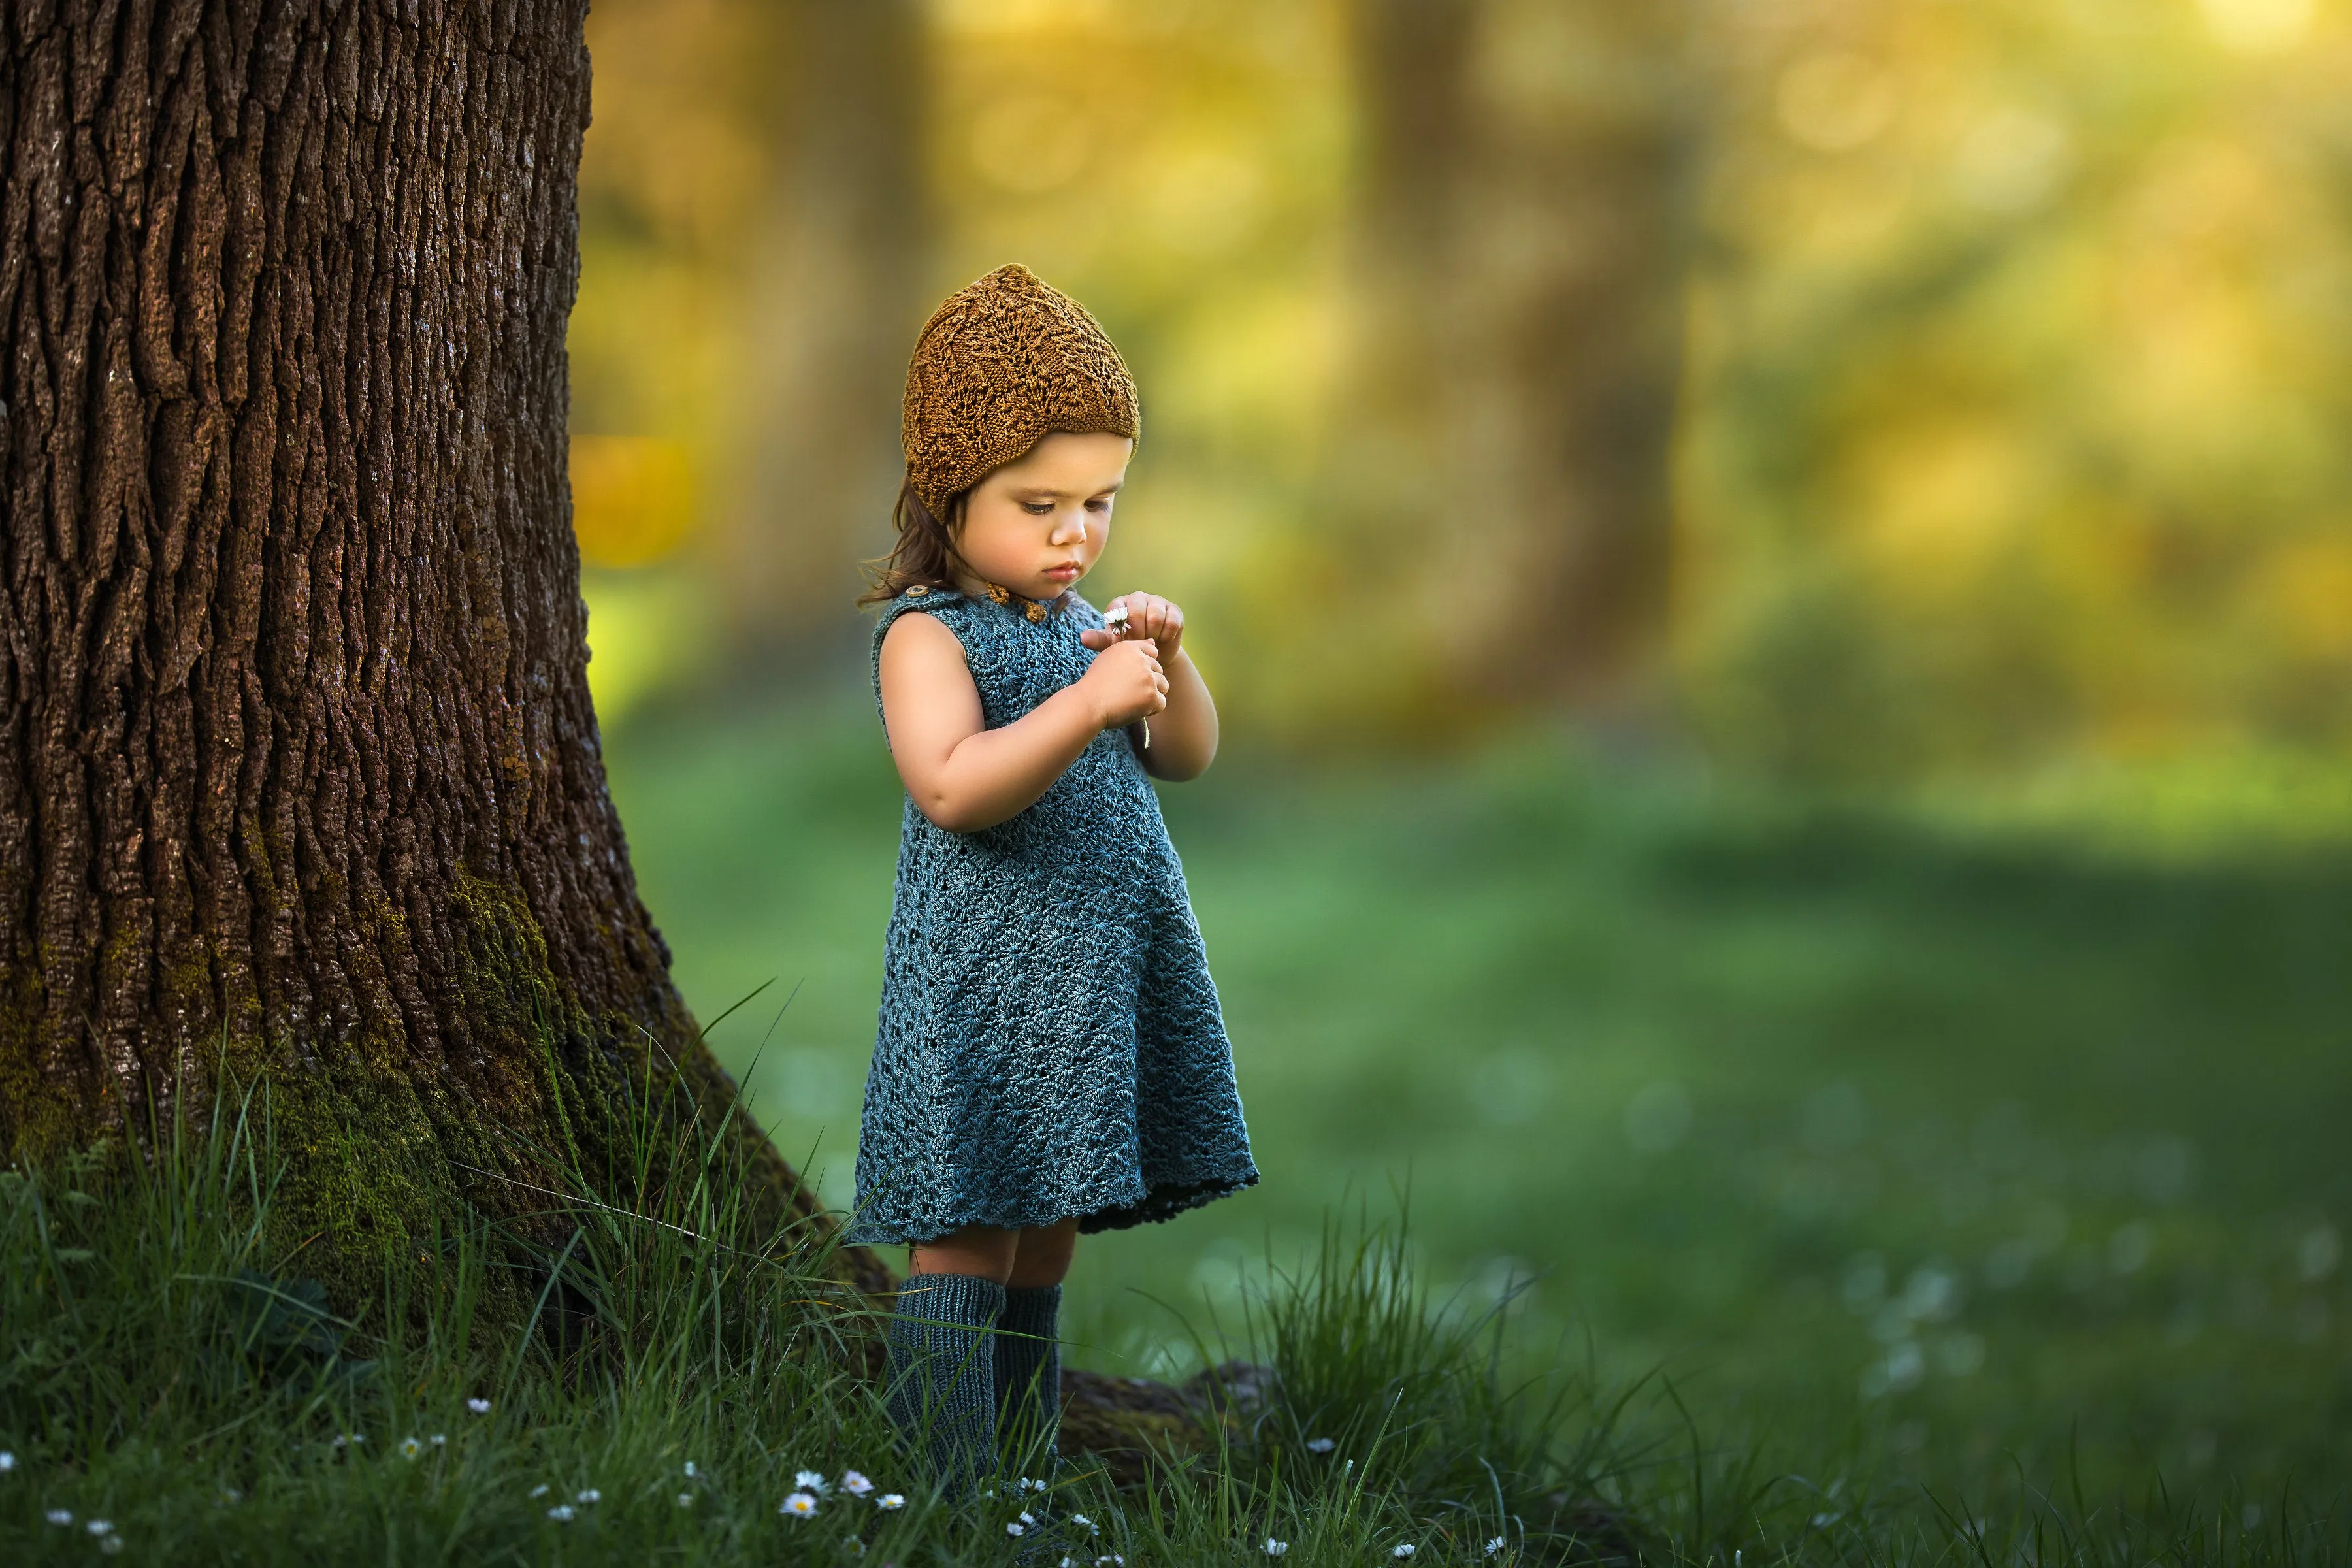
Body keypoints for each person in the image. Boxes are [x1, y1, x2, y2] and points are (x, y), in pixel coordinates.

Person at [848, 264, 1258, 1495]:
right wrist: (1085, 703)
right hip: (986, 987)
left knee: (1047, 1243)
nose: (1075, 534)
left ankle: (1018, 1477)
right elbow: (952, 785)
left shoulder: (1079, 627)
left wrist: (1164, 665)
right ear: (950, 488)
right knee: (969, 1235)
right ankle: (939, 1483)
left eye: (1100, 502)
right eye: (1040, 503)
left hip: (1091, 986)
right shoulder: (931, 634)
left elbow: (1186, 760)